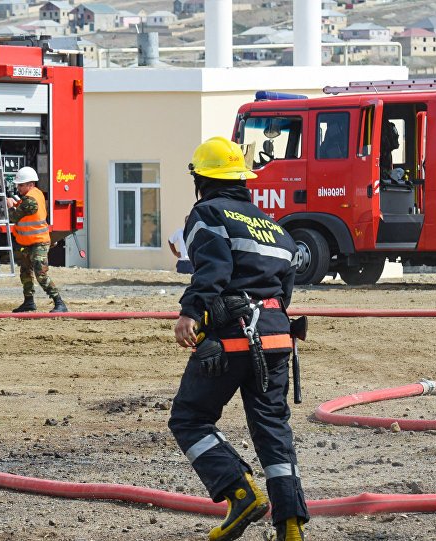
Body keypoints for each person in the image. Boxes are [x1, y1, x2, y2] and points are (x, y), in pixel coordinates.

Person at [168, 137, 309, 541]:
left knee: (190, 418)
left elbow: (212, 270)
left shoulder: (207, 213)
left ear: (202, 179)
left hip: (232, 340)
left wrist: (190, 313)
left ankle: (240, 492)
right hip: (278, 340)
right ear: (242, 181)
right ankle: (292, 525)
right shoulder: (276, 229)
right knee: (272, 430)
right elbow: (284, 294)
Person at [7, 166, 68, 313]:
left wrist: (9, 206)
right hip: (29, 242)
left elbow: (14, 217)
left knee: (40, 273)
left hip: (38, 242)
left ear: (31, 184)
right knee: (25, 272)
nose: (18, 188)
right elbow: (24, 208)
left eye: (21, 185)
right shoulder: (35, 195)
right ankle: (29, 302)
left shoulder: (30, 200)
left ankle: (59, 303)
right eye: (18, 185)